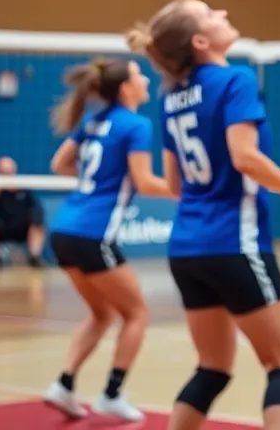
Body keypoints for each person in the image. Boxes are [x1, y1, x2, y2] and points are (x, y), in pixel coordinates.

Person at [126, 0, 280, 430]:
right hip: (234, 243)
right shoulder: (234, 81)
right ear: (201, 41)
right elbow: (246, 158)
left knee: (213, 367)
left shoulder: (169, 100)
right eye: (211, 13)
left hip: (186, 247)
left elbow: (177, 185)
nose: (223, 13)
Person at [42, 58, 176, 422]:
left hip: (64, 230)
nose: (146, 80)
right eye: (138, 76)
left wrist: (98, 179)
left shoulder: (93, 120)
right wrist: (193, 193)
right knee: (137, 312)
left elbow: (59, 164)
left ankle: (64, 385)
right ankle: (112, 394)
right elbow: (146, 182)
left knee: (102, 314)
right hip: (92, 234)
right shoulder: (136, 125)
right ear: (125, 88)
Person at [0, 157, 47, 267]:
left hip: (22, 228)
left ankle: (34, 257)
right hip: (1, 228)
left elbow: (36, 206)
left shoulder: (24, 189)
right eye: (3, 172)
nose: (7, 175)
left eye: (10, 172)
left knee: (38, 218)